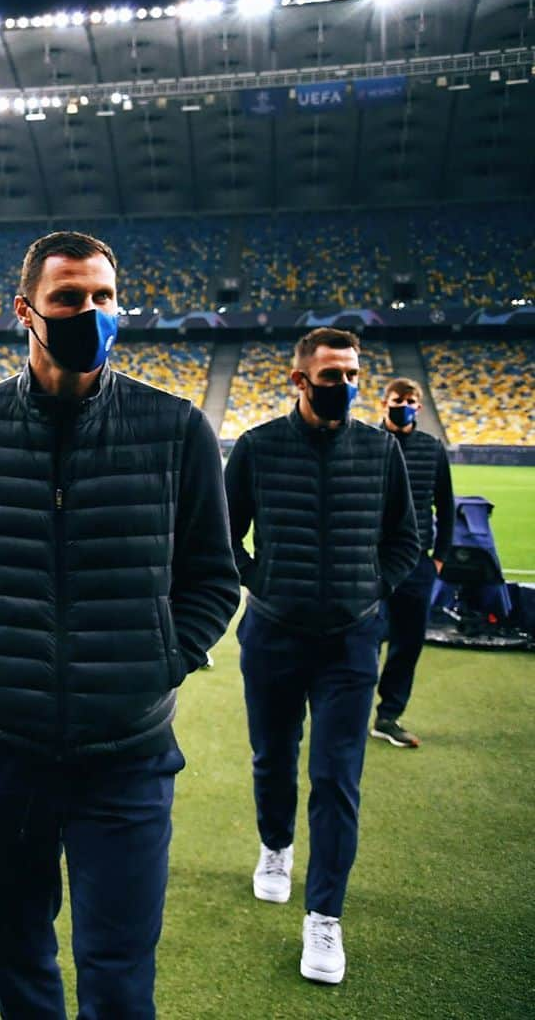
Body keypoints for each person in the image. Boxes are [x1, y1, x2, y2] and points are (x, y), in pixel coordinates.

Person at [0, 231, 240, 1019]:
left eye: (105, 297)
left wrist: (163, 657)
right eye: (70, 297)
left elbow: (213, 575)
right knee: (21, 962)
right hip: (5, 758)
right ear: (26, 310)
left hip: (127, 760)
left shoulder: (177, 431)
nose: (90, 312)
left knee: (119, 972)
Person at [224, 327, 419, 986]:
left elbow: (405, 540)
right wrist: (262, 582)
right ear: (299, 380)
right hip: (273, 634)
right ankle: (276, 847)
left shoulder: (379, 451)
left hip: (350, 642)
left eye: (352, 373)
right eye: (331, 375)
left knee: (336, 777)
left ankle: (324, 917)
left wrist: (374, 588)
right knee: (273, 757)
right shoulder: (256, 449)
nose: (345, 386)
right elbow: (222, 536)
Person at [373, 377, 454, 748]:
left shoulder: (432, 449)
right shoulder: (366, 442)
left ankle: (388, 715)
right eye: (396, 399)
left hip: (416, 563)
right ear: (384, 402)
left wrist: (439, 558)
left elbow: (446, 506)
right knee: (363, 638)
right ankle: (353, 708)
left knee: (408, 642)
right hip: (371, 559)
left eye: (408, 400)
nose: (402, 404)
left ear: (418, 406)